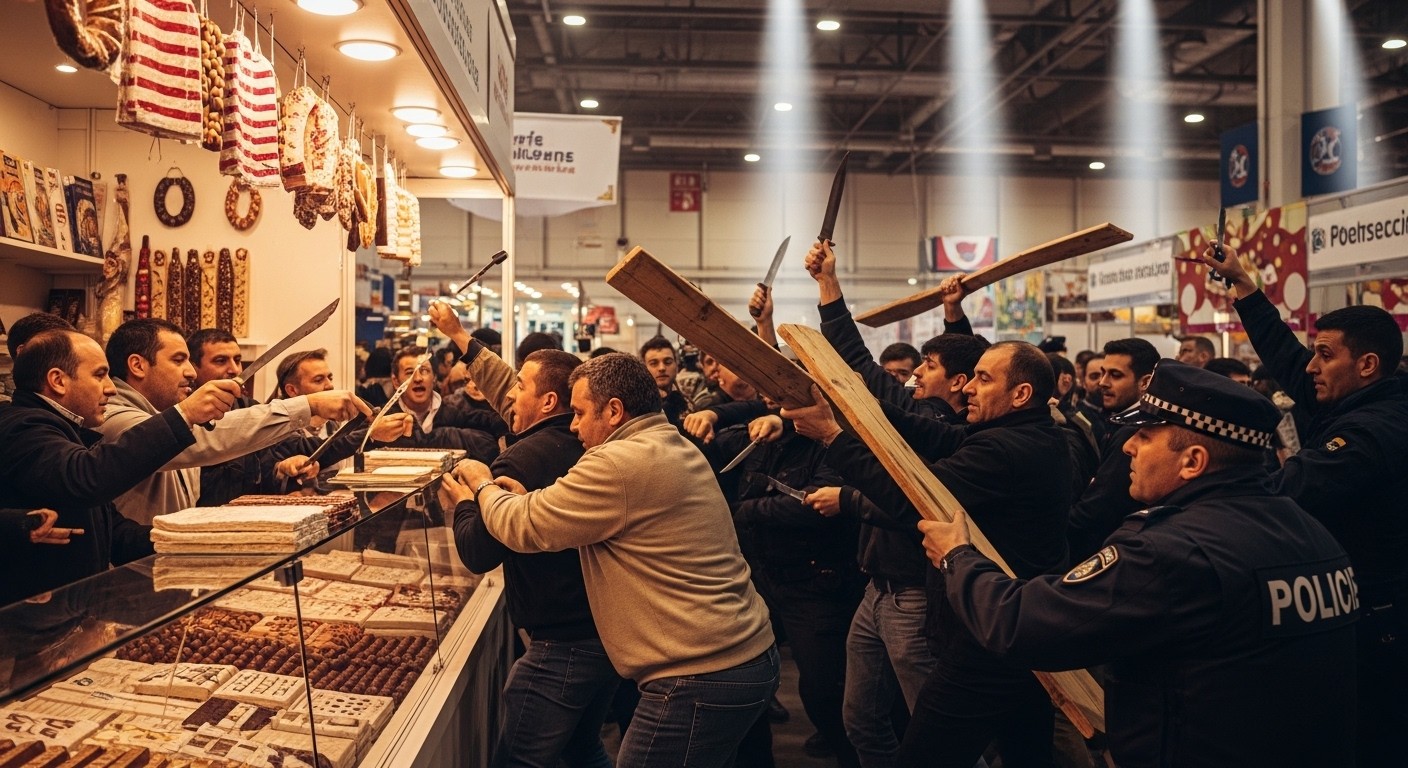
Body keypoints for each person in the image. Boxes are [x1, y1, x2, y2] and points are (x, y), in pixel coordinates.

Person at [917, 361, 1358, 766]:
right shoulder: (1312, 535)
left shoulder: (1172, 550)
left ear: (1193, 461)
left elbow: (1022, 624)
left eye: (1145, 436)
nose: (1128, 446)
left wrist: (958, 558)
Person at [444, 352, 778, 768]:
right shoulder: (668, 440)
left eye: (580, 413)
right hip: (743, 655)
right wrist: (521, 500)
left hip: (700, 673)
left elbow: (523, 526)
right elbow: (557, 514)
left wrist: (480, 488)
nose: (573, 425)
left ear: (614, 411)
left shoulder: (617, 462)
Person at [784, 341, 1072, 768]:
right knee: (1024, 752)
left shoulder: (1004, 450)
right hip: (1015, 623)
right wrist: (856, 404)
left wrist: (832, 436)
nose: (969, 387)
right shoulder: (1027, 433)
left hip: (986, 635)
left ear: (1021, 394)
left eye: (983, 379)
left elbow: (913, 500)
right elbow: (939, 436)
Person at [1196, 243, 1408, 766]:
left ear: (1368, 364)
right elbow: (1287, 359)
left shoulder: (1371, 433)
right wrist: (1243, 285)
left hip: (1376, 620)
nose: (1311, 366)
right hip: (1361, 609)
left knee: (1367, 741)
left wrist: (1194, 499)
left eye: (1325, 355)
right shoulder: (1359, 399)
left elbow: (1285, 491)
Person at [428, 302, 621, 768]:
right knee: (582, 749)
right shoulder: (587, 443)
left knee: (517, 760)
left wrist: (465, 503)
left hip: (562, 644)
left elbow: (480, 552)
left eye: (520, 386)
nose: (508, 394)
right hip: (607, 633)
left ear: (548, 402)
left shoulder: (520, 459)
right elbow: (503, 389)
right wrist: (459, 334)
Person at [0, 329, 238, 605]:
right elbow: (87, 477)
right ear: (58, 381)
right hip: (28, 621)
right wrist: (183, 415)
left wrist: (191, 541)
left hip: (71, 613)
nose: (111, 388)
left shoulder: (68, 432)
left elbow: (115, 534)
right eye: (99, 375)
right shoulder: (23, 427)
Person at [97, 319, 371, 523]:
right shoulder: (115, 418)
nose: (190, 372)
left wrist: (279, 471)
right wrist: (308, 405)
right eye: (179, 360)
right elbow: (201, 440)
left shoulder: (174, 412)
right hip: (132, 570)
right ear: (138, 365)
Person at [1066, 338, 1160, 559]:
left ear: (1145, 382)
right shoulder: (1124, 421)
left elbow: (1100, 507)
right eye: (1102, 373)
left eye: (1115, 375)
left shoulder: (1135, 431)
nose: (1103, 383)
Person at [380, 346, 499, 459]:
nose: (418, 378)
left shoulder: (452, 413)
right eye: (410, 372)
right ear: (396, 381)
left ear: (435, 378)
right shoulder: (382, 420)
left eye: (424, 371)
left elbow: (490, 446)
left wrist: (447, 436)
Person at [639, 335, 692, 428]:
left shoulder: (686, 400)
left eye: (668, 362)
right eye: (653, 363)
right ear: (644, 368)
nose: (662, 368)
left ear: (676, 365)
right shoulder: (638, 405)